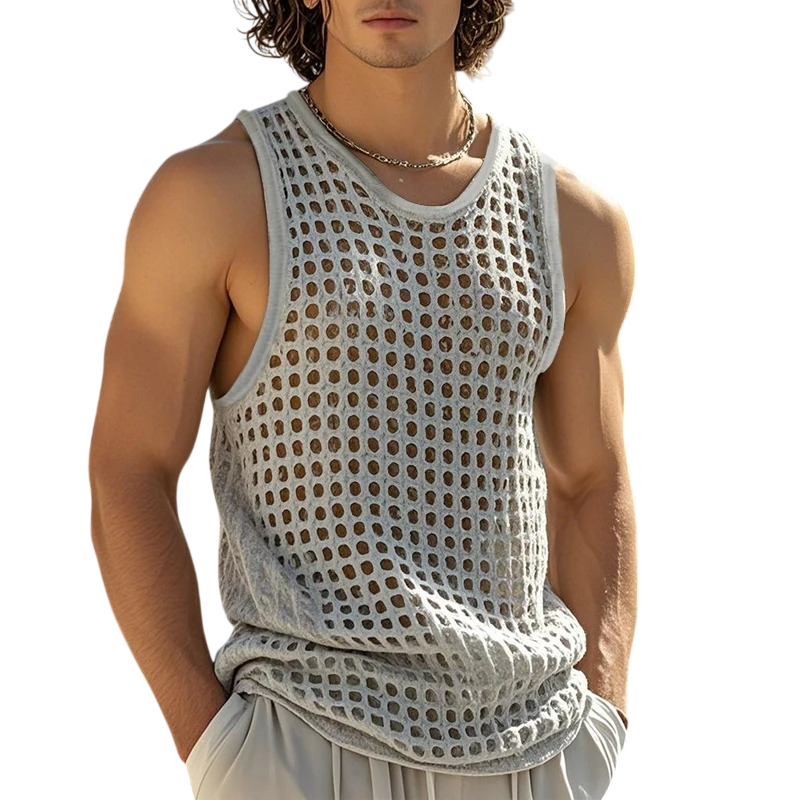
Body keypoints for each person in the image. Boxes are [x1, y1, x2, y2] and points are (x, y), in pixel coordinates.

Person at [88, 1, 637, 798]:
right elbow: (128, 470)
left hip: (532, 746)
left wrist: (604, 719)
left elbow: (593, 481)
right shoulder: (215, 195)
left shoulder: (572, 221)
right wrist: (216, 747)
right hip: (303, 737)